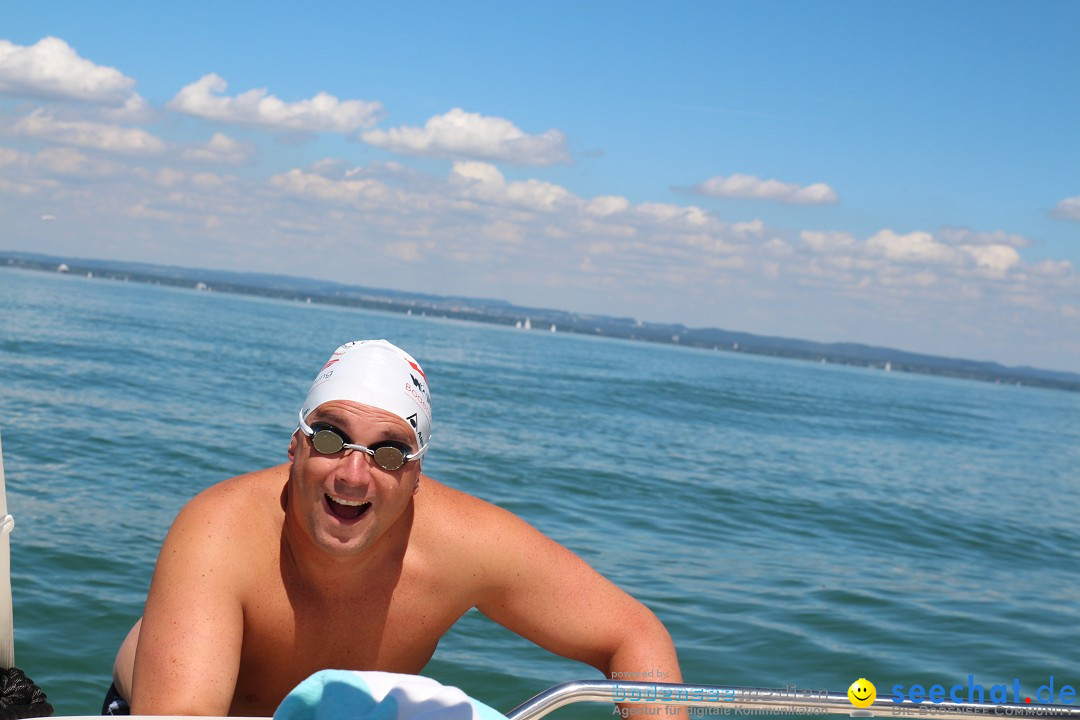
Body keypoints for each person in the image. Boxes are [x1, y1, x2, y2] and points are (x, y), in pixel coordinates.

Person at [109, 340, 683, 716]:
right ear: (294, 447)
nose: (354, 475)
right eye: (332, 439)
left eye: (388, 454)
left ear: (416, 477)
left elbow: (633, 634)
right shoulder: (219, 531)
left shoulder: (467, 545)